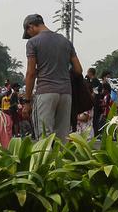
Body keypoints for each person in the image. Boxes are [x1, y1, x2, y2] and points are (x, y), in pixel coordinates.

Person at [23, 13, 84, 141]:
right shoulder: (65, 41)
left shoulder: (33, 42)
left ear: (31, 27)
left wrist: (27, 101)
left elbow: (31, 73)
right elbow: (78, 70)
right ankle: (60, 161)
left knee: (44, 137)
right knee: (62, 138)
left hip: (45, 92)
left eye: (28, 33)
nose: (30, 36)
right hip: (66, 94)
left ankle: (46, 161)